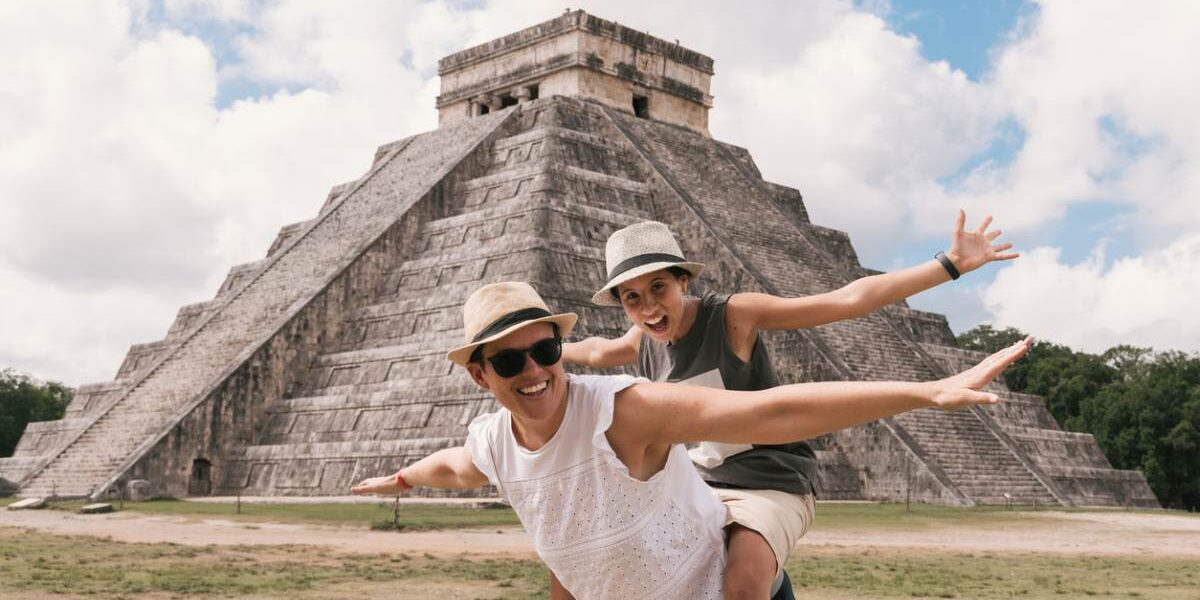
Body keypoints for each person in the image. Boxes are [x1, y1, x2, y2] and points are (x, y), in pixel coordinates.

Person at [352, 280, 1032, 599]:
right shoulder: (496, 439)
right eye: (508, 361)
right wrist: (403, 478)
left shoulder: (627, 411)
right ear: (480, 375)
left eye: (546, 349)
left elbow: (769, 415)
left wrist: (926, 392)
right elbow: (460, 465)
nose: (534, 370)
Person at [561, 213, 1017, 598]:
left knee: (741, 582)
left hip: (766, 481)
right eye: (632, 298)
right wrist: (538, 355)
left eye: (658, 287)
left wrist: (948, 265)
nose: (649, 308)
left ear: (684, 279)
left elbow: (845, 300)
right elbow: (596, 350)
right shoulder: (642, 341)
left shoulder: (732, 316)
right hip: (694, 488)